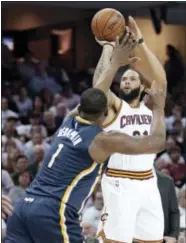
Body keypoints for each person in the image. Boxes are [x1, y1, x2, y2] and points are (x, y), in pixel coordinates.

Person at [5, 78, 166, 243]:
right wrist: (158, 109)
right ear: (104, 114)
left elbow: (97, 88)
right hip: (54, 210)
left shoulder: (68, 121)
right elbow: (157, 143)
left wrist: (113, 58)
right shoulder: (101, 140)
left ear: (80, 108)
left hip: (23, 206)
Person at [92, 16, 167, 243]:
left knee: (152, 239)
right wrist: (108, 49)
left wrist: (142, 42)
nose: (126, 80)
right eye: (124, 78)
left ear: (142, 86)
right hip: (119, 182)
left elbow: (160, 80)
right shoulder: (116, 108)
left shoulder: (151, 106)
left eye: (132, 77)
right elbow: (98, 88)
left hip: (148, 181)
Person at [156, 171, 180, 243]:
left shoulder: (167, 181)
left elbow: (174, 211)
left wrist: (173, 236)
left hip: (162, 238)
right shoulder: (125, 180)